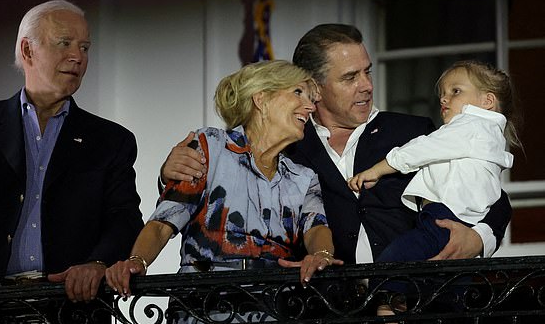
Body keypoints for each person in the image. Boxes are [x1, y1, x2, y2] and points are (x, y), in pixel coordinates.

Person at [160, 24, 512, 266]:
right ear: (315, 86)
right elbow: (229, 179)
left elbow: (490, 192)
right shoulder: (287, 144)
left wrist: (479, 238)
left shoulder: (413, 131)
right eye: (350, 77)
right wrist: (173, 172)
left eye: (367, 72)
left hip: (416, 307)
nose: (366, 86)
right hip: (323, 312)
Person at [0, 0, 144, 320]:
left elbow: (125, 219)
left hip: (74, 312)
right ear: (28, 50)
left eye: (85, 46)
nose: (78, 56)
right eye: (65, 43)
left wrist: (98, 263)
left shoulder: (112, 140)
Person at [105, 60, 343, 324]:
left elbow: (316, 228)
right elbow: (164, 222)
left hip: (274, 310)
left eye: (310, 99)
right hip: (205, 307)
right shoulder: (210, 147)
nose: (310, 107)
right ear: (261, 99)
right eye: (298, 93)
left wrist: (321, 254)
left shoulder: (303, 176)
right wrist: (137, 261)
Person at [347, 60, 519, 324]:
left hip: (440, 222)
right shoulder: (481, 134)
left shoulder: (471, 126)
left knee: (387, 268)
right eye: (443, 92)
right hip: (455, 224)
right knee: (449, 296)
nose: (444, 97)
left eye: (456, 91)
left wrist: (377, 170)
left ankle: (388, 323)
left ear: (487, 101)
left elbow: (422, 148)